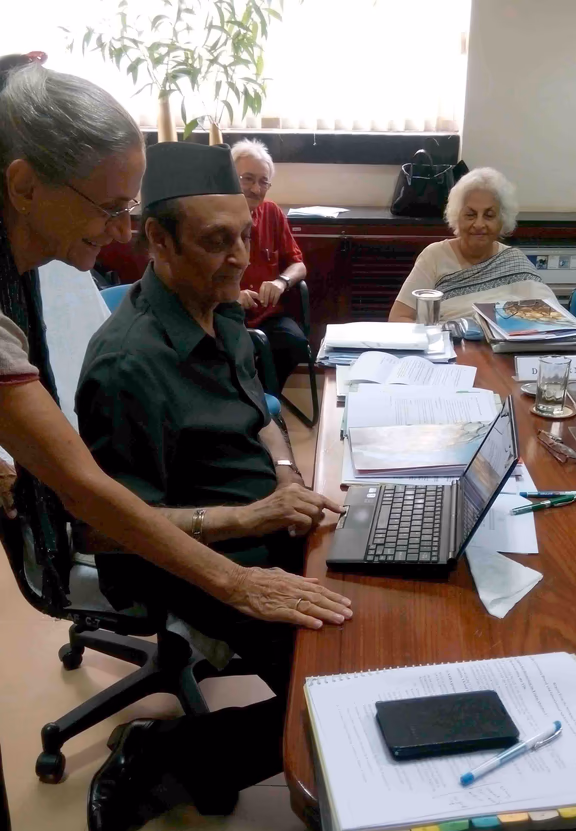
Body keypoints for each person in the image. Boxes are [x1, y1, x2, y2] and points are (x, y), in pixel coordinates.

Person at [0, 61, 352, 831]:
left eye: (245, 238)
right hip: (166, 548)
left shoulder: (220, 310)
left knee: (375, 615)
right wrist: (243, 553)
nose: (239, 259)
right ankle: (161, 765)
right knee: (336, 682)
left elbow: (260, 413)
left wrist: (288, 481)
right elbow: (96, 513)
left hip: (253, 525)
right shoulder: (131, 363)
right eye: (217, 241)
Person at [389, 167, 557, 323]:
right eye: (470, 215)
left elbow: (553, 321)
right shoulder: (434, 256)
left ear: (502, 220)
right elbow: (398, 318)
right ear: (456, 216)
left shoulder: (514, 261)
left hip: (504, 353)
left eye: (489, 215)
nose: (478, 224)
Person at [231, 139, 309, 390]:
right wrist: (232, 295)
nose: (256, 189)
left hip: (268, 314)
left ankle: (262, 403)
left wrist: (281, 281)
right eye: (247, 179)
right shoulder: (212, 217)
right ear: (230, 177)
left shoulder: (272, 212)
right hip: (225, 313)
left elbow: (298, 265)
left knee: (294, 343)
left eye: (263, 181)